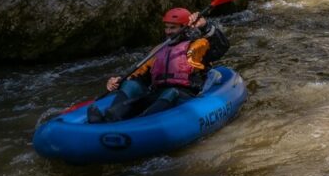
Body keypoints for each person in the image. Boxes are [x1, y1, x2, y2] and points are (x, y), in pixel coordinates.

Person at [87, 7, 229, 123]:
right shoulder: (159, 50)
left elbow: (222, 46)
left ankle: (140, 124)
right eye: (166, 27)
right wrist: (118, 81)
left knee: (171, 93)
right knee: (130, 85)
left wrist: (205, 26)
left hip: (184, 96)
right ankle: (111, 117)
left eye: (173, 28)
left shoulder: (198, 46)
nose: (168, 31)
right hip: (158, 95)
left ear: (185, 28)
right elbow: (140, 75)